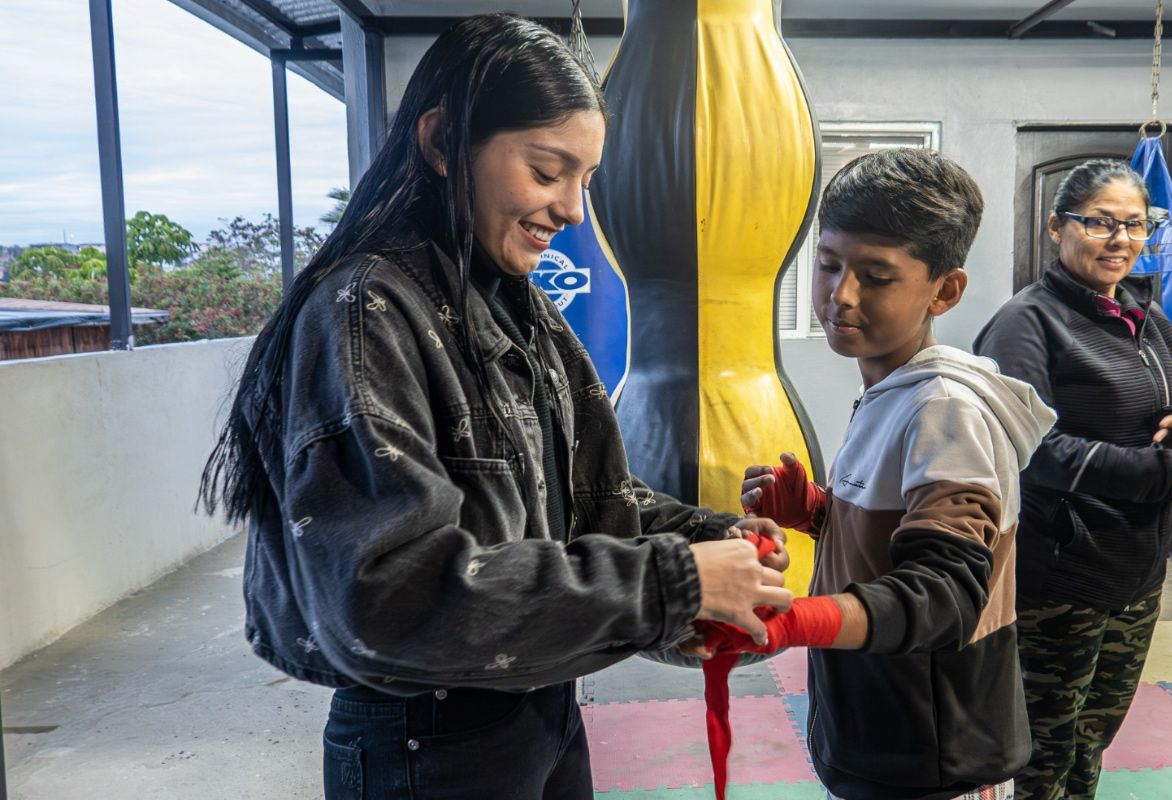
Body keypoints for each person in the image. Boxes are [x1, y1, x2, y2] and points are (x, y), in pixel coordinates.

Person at [197, 15, 793, 800]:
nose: (575, 211)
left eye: (586, 180)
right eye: (549, 172)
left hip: (539, 700)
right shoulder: (365, 310)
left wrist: (711, 541)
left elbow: (584, 503)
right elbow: (388, 594)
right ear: (444, 142)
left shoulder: (515, 305)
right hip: (428, 737)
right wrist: (671, 581)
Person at [737, 148, 1056, 800]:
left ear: (945, 289)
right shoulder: (897, 389)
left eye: (876, 277)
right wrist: (822, 514)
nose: (840, 295)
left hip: (927, 758)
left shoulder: (944, 409)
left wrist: (798, 618)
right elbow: (908, 539)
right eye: (829, 265)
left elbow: (943, 592)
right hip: (884, 729)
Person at [973, 159, 1172, 800]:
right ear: (1056, 228)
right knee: (1041, 750)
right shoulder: (1026, 324)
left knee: (1093, 740)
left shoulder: (1149, 320)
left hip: (1137, 573)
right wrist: (1160, 472)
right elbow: (1029, 450)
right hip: (1059, 578)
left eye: (1135, 224)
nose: (1120, 239)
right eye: (1099, 222)